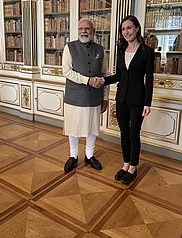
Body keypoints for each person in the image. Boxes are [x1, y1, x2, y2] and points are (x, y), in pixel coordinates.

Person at [101, 15, 154, 184]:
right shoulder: (121, 51)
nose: (126, 32)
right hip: (121, 98)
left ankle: (133, 167)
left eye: (129, 28)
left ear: (137, 28)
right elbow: (119, 75)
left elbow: (149, 79)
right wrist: (103, 80)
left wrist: (147, 103)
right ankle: (125, 164)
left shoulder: (147, 52)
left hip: (138, 100)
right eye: (123, 29)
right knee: (123, 133)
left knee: (133, 134)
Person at [62, 18, 109, 173]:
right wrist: (87, 80)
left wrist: (106, 97)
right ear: (78, 30)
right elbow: (67, 71)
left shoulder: (100, 50)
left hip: (95, 97)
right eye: (81, 28)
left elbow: (104, 75)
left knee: (92, 127)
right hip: (74, 97)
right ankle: (73, 156)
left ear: (93, 31)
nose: (84, 31)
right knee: (73, 128)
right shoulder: (69, 48)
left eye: (87, 28)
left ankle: (89, 155)